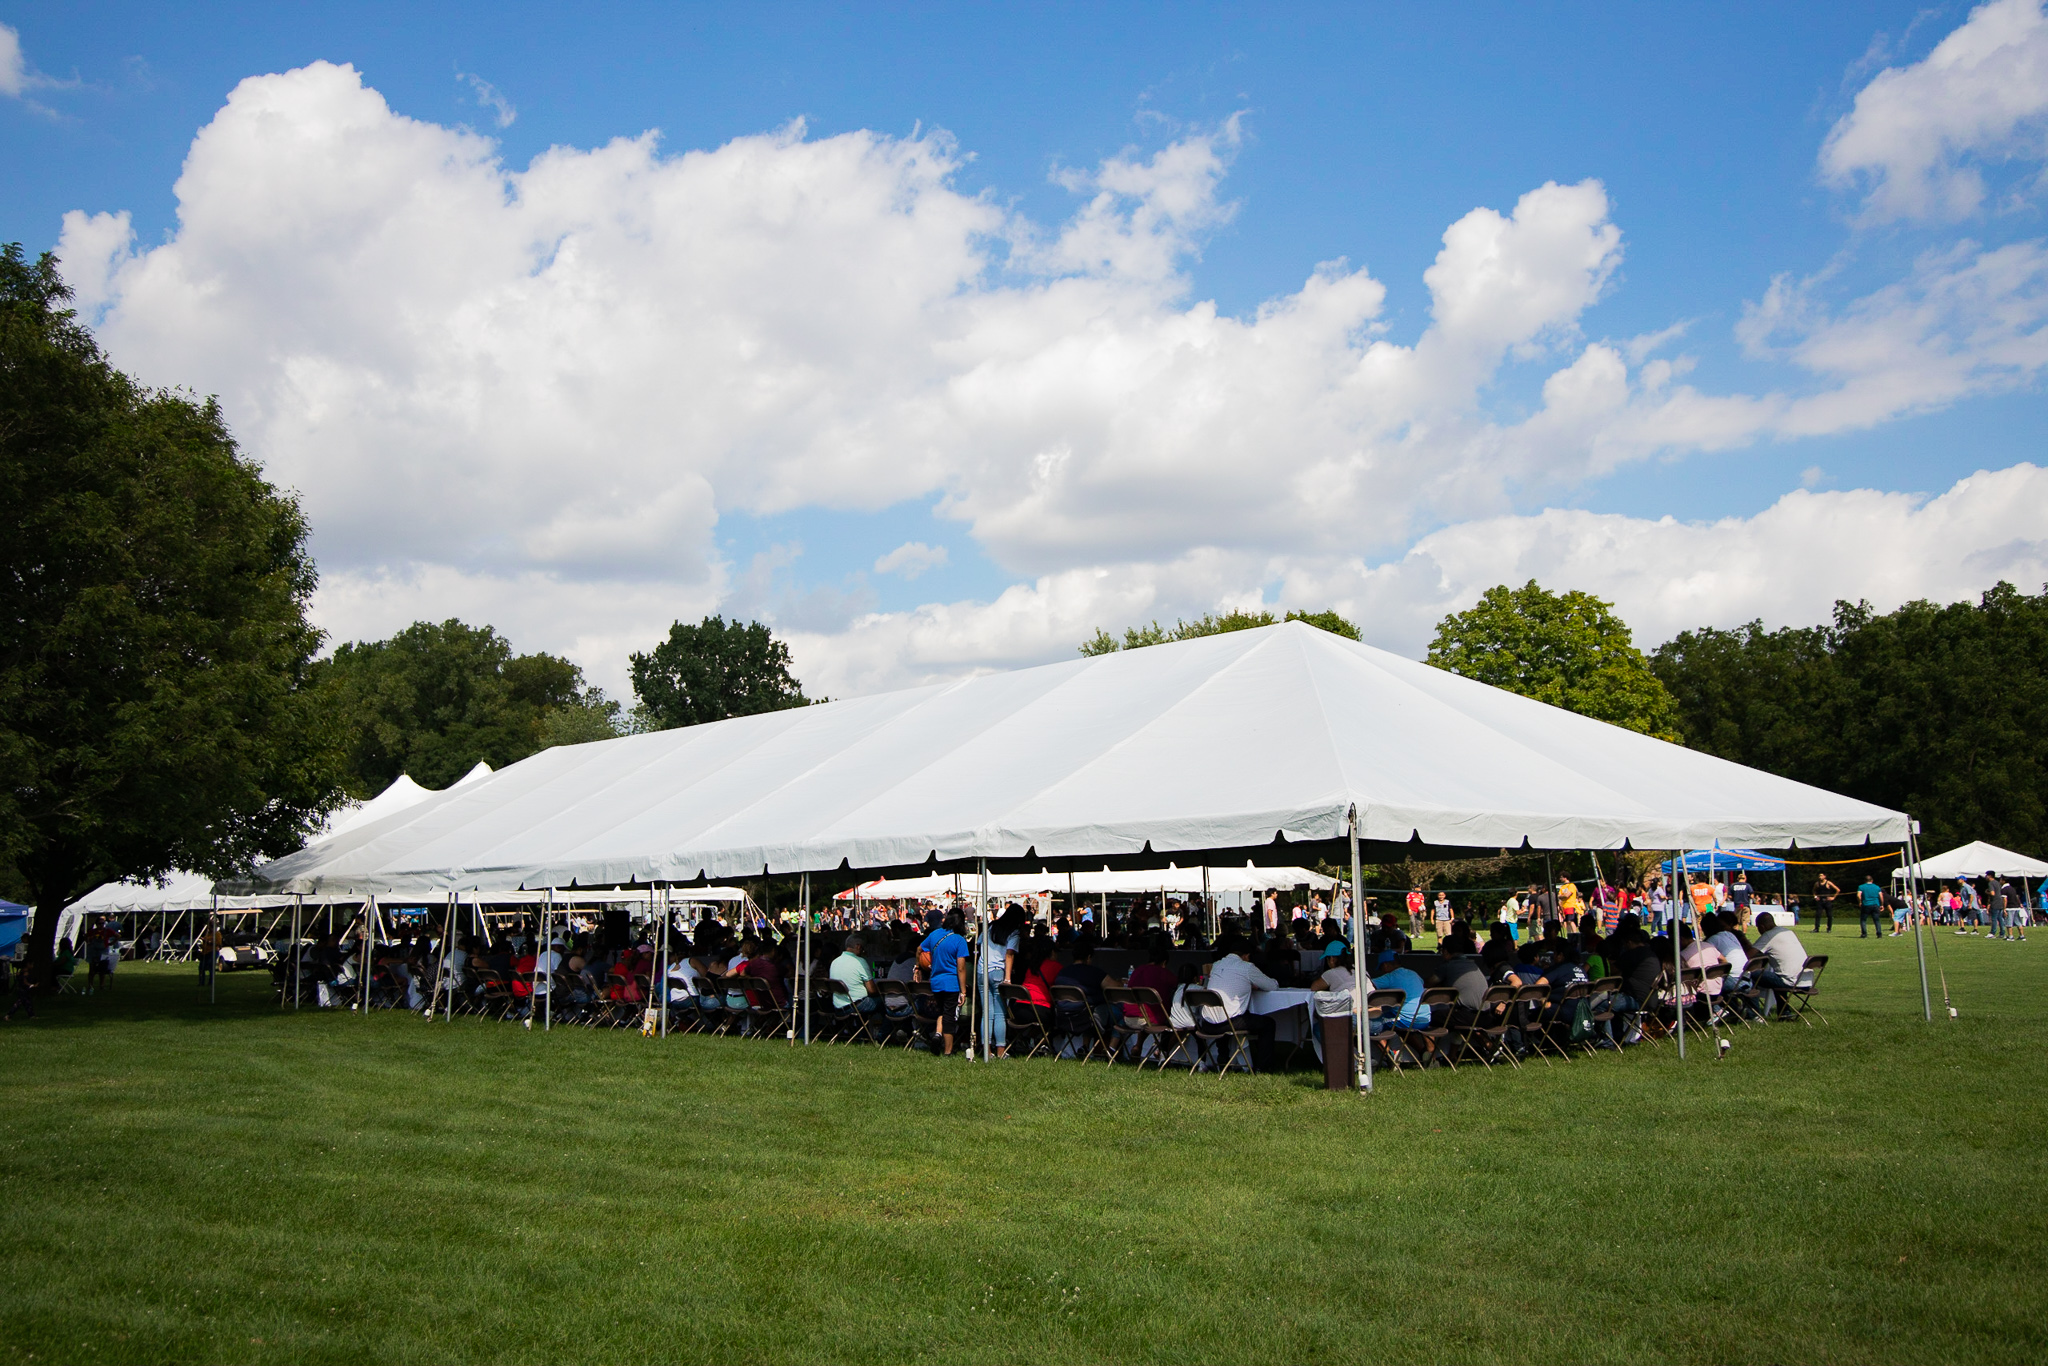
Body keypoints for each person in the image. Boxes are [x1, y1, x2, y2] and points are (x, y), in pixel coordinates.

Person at [1202, 934, 1279, 1072]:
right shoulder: (1246, 967)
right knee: (1268, 1024)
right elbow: (1271, 986)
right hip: (1228, 1023)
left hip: (1207, 1022)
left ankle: (1223, 1059)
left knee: (1222, 1012)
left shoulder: (1217, 965)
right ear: (1246, 956)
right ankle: (1263, 1066)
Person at [917, 910, 972, 1056]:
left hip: (936, 982)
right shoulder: (959, 940)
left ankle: (937, 1035)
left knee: (942, 1011)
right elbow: (961, 968)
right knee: (949, 1016)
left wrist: (917, 966)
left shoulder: (934, 934)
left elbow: (919, 949)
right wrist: (963, 991)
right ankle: (948, 1051)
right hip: (951, 983)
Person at [1751, 911, 1808, 1017]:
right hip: (1806, 980)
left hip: (1791, 982)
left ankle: (1752, 1013)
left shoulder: (1768, 935)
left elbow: (1749, 954)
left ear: (1762, 927)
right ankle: (1784, 1012)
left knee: (1751, 975)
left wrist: (1743, 941)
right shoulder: (1788, 932)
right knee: (1780, 976)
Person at [829, 932, 876, 1015]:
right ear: (858, 946)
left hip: (838, 1007)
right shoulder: (860, 962)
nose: (862, 952)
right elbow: (872, 990)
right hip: (856, 1006)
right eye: (862, 949)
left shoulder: (834, 962)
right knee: (883, 1002)